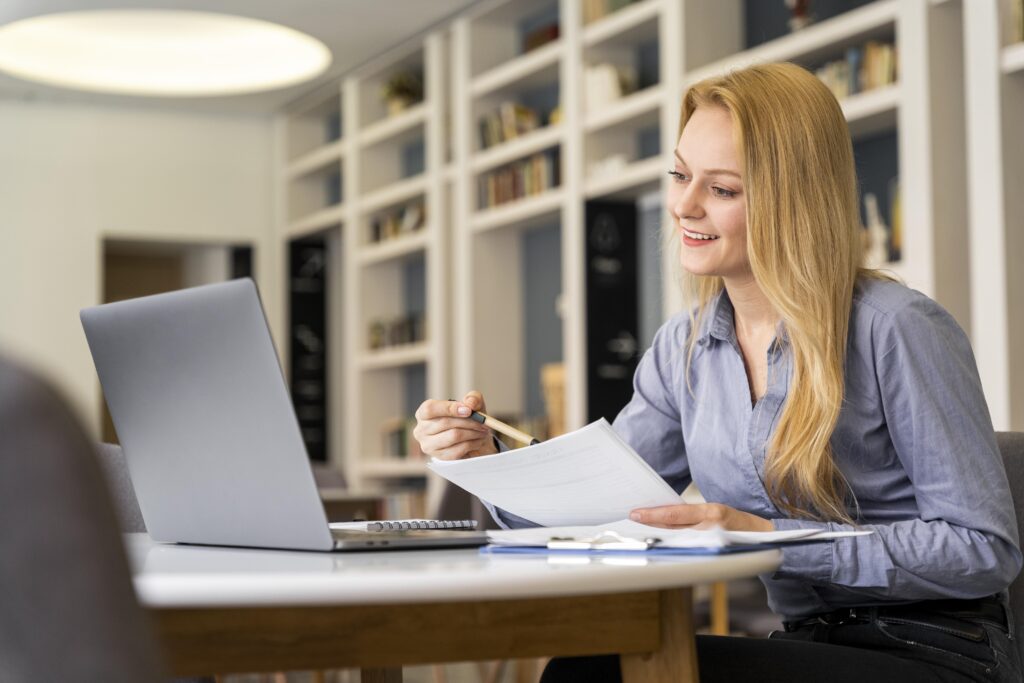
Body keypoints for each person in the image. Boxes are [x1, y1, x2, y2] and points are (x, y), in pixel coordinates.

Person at [413, 62, 1022, 683]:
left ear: (796, 202)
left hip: (938, 648)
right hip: (808, 642)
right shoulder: (684, 347)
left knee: (590, 676)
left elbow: (985, 548)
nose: (682, 205)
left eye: (722, 189)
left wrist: (769, 537)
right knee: (592, 669)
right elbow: (600, 512)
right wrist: (485, 459)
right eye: (680, 175)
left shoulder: (896, 327)